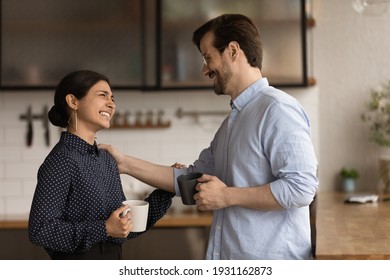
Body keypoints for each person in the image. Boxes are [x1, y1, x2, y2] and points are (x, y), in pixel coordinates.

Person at [100, 13, 318, 260]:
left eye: (208, 57)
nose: (205, 69)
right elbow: (190, 179)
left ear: (233, 51)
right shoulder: (231, 123)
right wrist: (125, 164)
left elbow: (301, 188)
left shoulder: (277, 109)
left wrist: (226, 196)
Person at [28, 70, 174, 260]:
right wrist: (104, 228)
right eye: (102, 95)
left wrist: (169, 187)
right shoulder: (62, 160)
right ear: (73, 102)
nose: (111, 103)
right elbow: (40, 230)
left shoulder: (105, 159)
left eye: (113, 98)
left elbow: (124, 230)